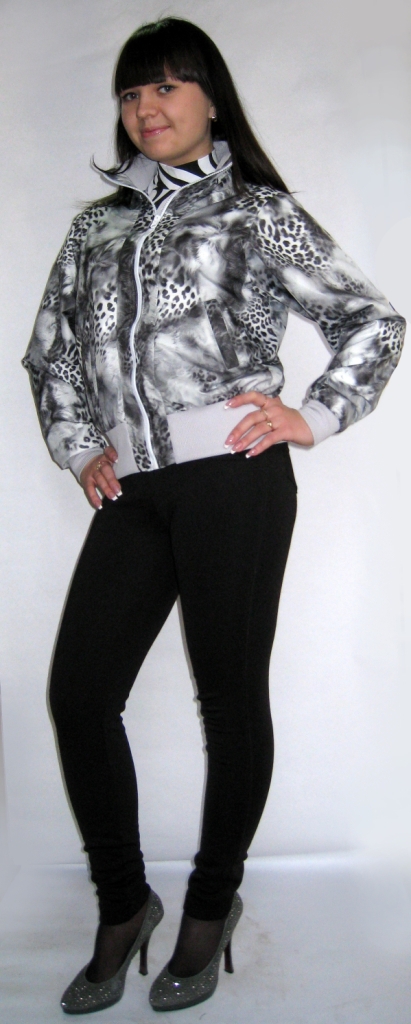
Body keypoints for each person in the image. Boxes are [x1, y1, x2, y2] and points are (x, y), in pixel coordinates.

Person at [22, 16, 405, 1016]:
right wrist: (80, 444)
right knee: (80, 694)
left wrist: (312, 414)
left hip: (236, 483)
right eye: (131, 91)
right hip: (135, 491)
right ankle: (123, 905)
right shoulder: (96, 230)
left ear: (209, 99)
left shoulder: (255, 211)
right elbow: (50, 353)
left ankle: (209, 903)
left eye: (167, 86)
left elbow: (370, 320)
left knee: (229, 702)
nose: (146, 108)